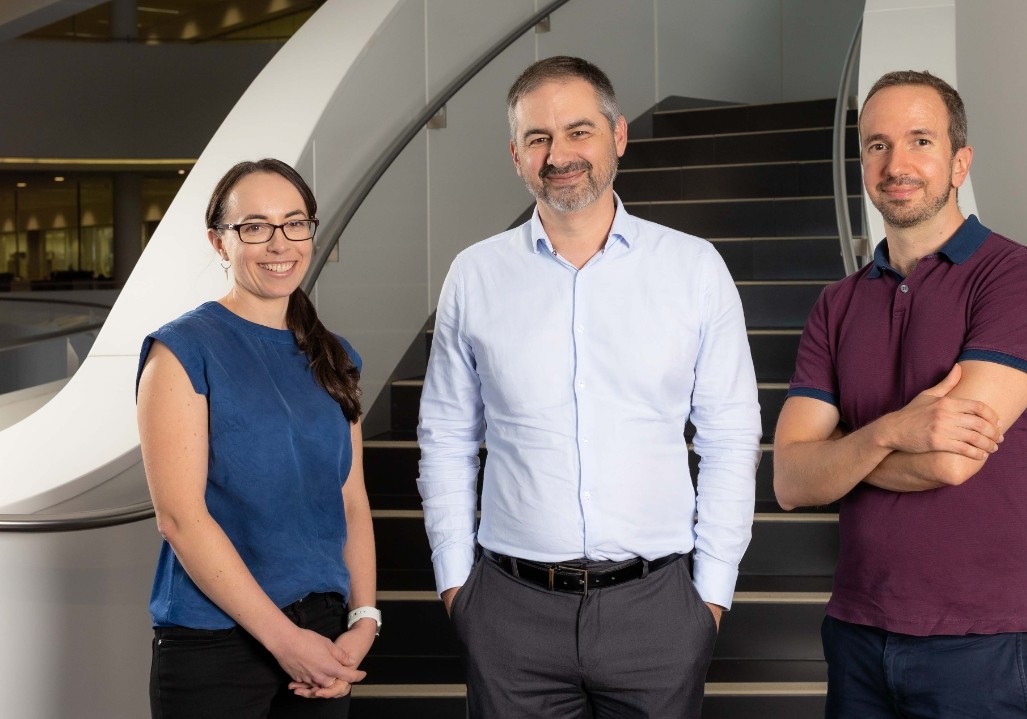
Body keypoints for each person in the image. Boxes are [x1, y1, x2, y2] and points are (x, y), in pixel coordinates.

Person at [416, 56, 762, 718]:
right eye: (538, 138)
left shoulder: (693, 269)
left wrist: (710, 596)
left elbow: (729, 435)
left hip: (657, 609)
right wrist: (457, 585)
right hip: (510, 612)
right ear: (516, 155)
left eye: (579, 131)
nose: (560, 154)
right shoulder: (474, 275)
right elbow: (446, 436)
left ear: (618, 136)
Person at [773, 70, 1027, 718]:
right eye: (877, 145)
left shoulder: (1021, 279)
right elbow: (791, 479)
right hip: (856, 634)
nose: (896, 163)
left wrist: (841, 459)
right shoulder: (838, 303)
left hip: (982, 644)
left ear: (960, 160)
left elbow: (951, 460)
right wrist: (892, 429)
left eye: (919, 141)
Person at [136, 158, 380, 718]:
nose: (279, 243)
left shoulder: (335, 356)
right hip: (215, 643)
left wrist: (364, 619)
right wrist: (284, 641)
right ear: (220, 242)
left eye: (295, 223)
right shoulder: (181, 351)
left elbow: (352, 502)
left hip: (323, 634)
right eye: (254, 227)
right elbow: (179, 518)